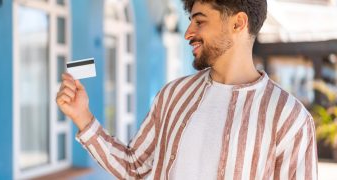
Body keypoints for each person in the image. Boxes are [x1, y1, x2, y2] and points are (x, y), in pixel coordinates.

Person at [56, 0, 318, 179]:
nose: (188, 33)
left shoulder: (289, 119)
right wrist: (83, 117)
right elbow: (134, 169)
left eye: (200, 22)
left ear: (238, 23)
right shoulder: (172, 96)